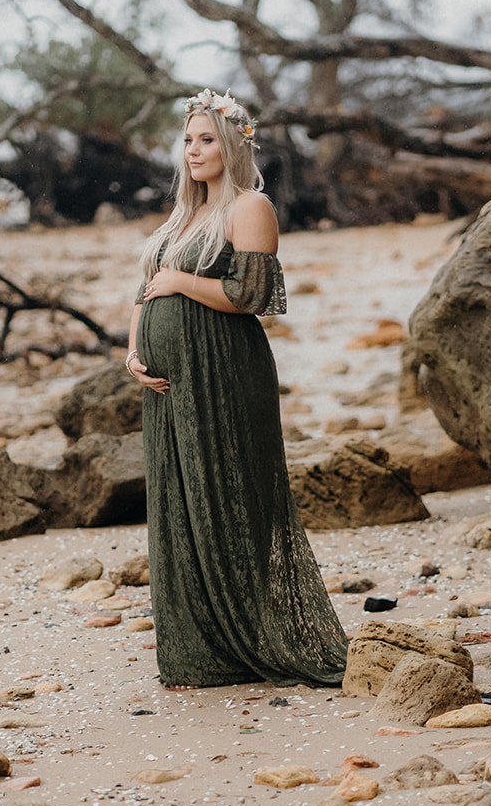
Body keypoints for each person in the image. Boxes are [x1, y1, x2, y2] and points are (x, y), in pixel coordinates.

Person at [125, 89, 350, 689]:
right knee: (178, 501)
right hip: (169, 383)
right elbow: (146, 292)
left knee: (227, 494)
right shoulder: (180, 216)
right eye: (187, 140)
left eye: (205, 140)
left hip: (225, 369)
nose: (193, 150)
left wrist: (180, 280)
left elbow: (252, 297)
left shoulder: (249, 208)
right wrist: (133, 353)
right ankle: (200, 646)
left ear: (231, 145)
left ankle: (249, 634)